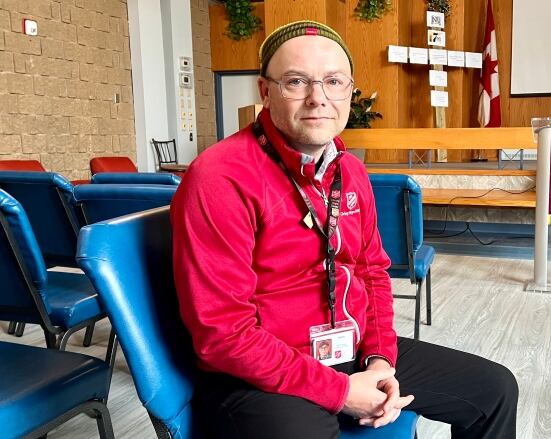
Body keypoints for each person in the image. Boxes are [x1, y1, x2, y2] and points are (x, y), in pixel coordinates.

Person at [170, 20, 518, 438]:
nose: (318, 98)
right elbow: (224, 335)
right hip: (258, 372)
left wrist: (379, 360)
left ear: (349, 91)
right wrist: (339, 392)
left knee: (494, 391)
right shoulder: (219, 177)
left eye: (333, 81)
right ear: (265, 91)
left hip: (349, 350)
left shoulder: (349, 170)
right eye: (296, 81)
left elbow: (372, 273)